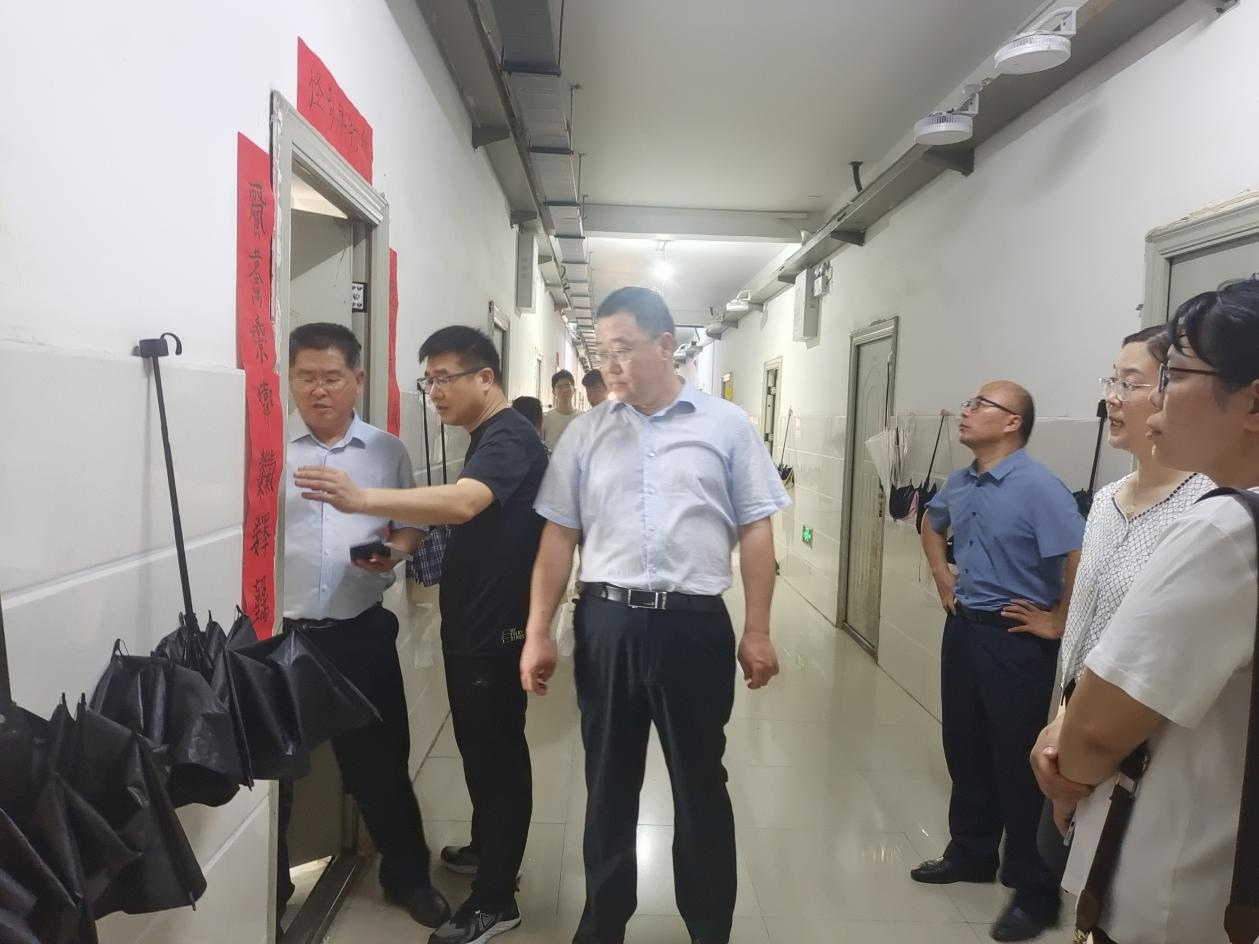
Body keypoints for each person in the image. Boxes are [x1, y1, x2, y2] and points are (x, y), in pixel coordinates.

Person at [519, 286, 791, 944]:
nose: (609, 365)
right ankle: (602, 925)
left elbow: (756, 529)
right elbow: (558, 536)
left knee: (700, 783)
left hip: (693, 626)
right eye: (602, 352)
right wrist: (537, 632)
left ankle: (708, 929)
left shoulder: (726, 426)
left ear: (666, 346)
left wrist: (757, 629)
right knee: (607, 781)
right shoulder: (585, 433)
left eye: (623, 349)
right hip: (607, 622)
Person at [295, 325, 548, 944]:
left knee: (494, 758)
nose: (434, 391)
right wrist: (392, 549)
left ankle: (496, 899)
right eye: (428, 379)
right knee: (481, 751)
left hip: (493, 630)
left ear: (484, 377)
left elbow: (460, 505)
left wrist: (360, 500)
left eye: (444, 378)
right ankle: (488, 850)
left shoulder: (507, 435)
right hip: (470, 625)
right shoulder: (486, 434)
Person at [1056, 280, 1259, 944]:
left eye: (1174, 373)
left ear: (1253, 401)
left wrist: (1064, 774)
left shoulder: (1226, 530)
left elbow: (1095, 733)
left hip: (1175, 891)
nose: (1153, 396)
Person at [279, 322, 449, 930]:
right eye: (306, 377)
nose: (318, 389)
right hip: (279, 641)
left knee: (380, 765)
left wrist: (394, 553)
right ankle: (269, 893)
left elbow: (411, 523)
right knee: (276, 772)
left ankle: (408, 878)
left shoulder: (386, 450)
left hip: (359, 633)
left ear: (357, 379)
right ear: (290, 378)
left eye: (331, 377)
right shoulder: (267, 446)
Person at [912, 380, 1084, 942]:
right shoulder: (961, 482)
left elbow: (1080, 552)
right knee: (964, 745)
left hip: (1016, 639)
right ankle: (972, 852)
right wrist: (941, 575)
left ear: (1012, 422)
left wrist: (1059, 620)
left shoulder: (1039, 487)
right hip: (964, 630)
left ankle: (1035, 890)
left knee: (1017, 760)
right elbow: (931, 521)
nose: (967, 411)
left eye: (980, 404)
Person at [1030, 328, 1212, 844]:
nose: (1112, 397)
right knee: (1058, 859)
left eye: (1129, 383)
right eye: (1111, 381)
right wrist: (1061, 722)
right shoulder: (1108, 501)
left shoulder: (1204, 509)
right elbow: (1086, 631)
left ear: (1174, 389)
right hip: (1072, 728)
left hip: (1139, 747)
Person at [541, 369, 582, 450]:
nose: (564, 390)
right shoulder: (546, 418)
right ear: (553, 392)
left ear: (574, 389)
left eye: (568, 385)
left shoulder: (583, 418)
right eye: (559, 386)